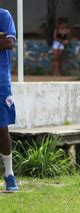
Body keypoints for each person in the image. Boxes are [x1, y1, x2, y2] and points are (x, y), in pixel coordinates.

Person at [0, 8, 18, 192]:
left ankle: (9, 175)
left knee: (2, 128)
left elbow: (9, 42)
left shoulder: (3, 16)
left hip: (1, 81)